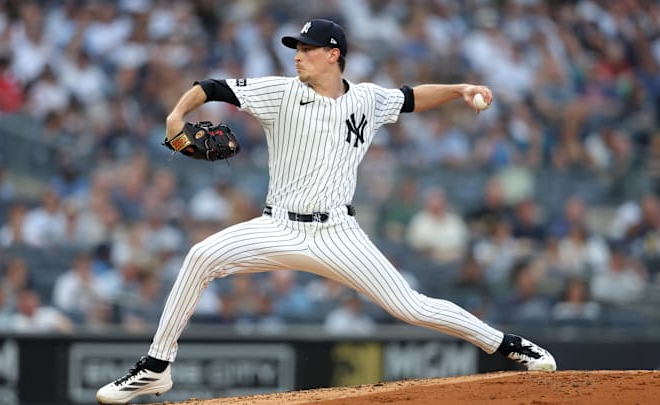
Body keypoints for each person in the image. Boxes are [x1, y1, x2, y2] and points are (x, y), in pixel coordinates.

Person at [96, 19, 556, 405]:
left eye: (308, 49)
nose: (297, 55)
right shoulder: (279, 92)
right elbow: (211, 86)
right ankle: (156, 367)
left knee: (411, 306)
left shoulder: (367, 99)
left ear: (334, 54)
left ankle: (508, 344)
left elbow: (412, 97)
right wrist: (177, 117)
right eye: (296, 48)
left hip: (338, 232)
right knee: (200, 257)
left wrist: (458, 89)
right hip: (277, 226)